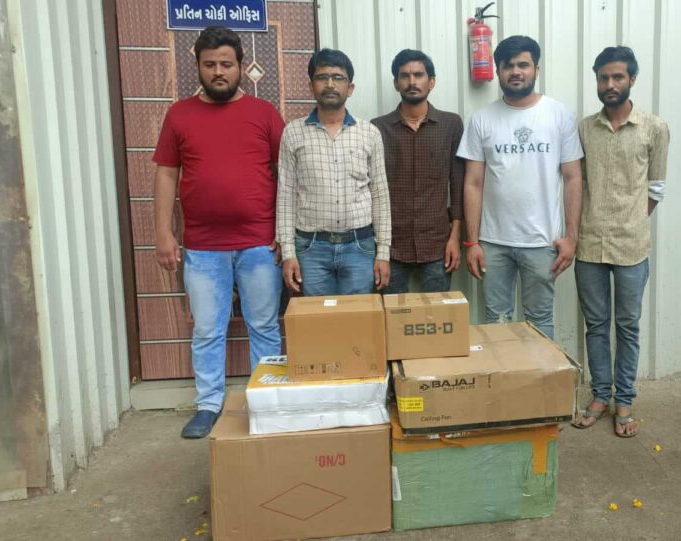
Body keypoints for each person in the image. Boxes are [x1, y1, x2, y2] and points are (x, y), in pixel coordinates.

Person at [153, 26, 285, 439]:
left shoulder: (264, 114)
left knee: (264, 325)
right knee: (208, 329)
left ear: (241, 66)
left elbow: (287, 174)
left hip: (260, 243)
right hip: (203, 247)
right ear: (198, 66)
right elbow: (166, 174)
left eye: (226, 64)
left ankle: (265, 401)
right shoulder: (180, 115)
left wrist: (285, 230)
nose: (218, 72)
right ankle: (208, 404)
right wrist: (163, 232)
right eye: (209, 64)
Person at [571, 46, 669, 438]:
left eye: (617, 77)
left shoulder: (653, 128)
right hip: (589, 245)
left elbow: (656, 188)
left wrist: (631, 220)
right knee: (596, 325)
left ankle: (624, 401)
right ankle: (600, 396)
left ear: (632, 79)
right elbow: (575, 183)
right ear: (596, 80)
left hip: (632, 246)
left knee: (627, 326)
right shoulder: (584, 129)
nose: (610, 84)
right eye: (603, 77)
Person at [457, 35, 583, 338]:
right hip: (493, 242)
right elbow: (473, 183)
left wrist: (571, 237)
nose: (516, 71)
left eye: (523, 65)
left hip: (542, 241)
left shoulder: (560, 115)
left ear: (536, 69)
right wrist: (472, 243)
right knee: (496, 319)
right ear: (498, 71)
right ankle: (503, 372)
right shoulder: (481, 119)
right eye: (508, 65)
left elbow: (573, 178)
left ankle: (542, 372)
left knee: (540, 321)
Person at [276, 49, 391, 296]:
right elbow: (286, 195)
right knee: (318, 317)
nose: (330, 84)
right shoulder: (293, 133)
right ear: (311, 86)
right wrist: (288, 253)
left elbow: (380, 194)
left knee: (358, 315)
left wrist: (383, 252)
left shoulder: (369, 133)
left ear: (350, 88)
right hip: (311, 248)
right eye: (322, 77)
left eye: (338, 78)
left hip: (359, 247)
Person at [372, 49, 465, 293]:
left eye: (419, 75)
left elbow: (457, 185)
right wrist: (379, 248)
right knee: (391, 313)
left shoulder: (450, 125)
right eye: (404, 76)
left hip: (437, 243)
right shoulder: (377, 128)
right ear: (396, 83)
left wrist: (455, 238)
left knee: (437, 313)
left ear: (431, 82)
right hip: (391, 245)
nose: (412, 82)